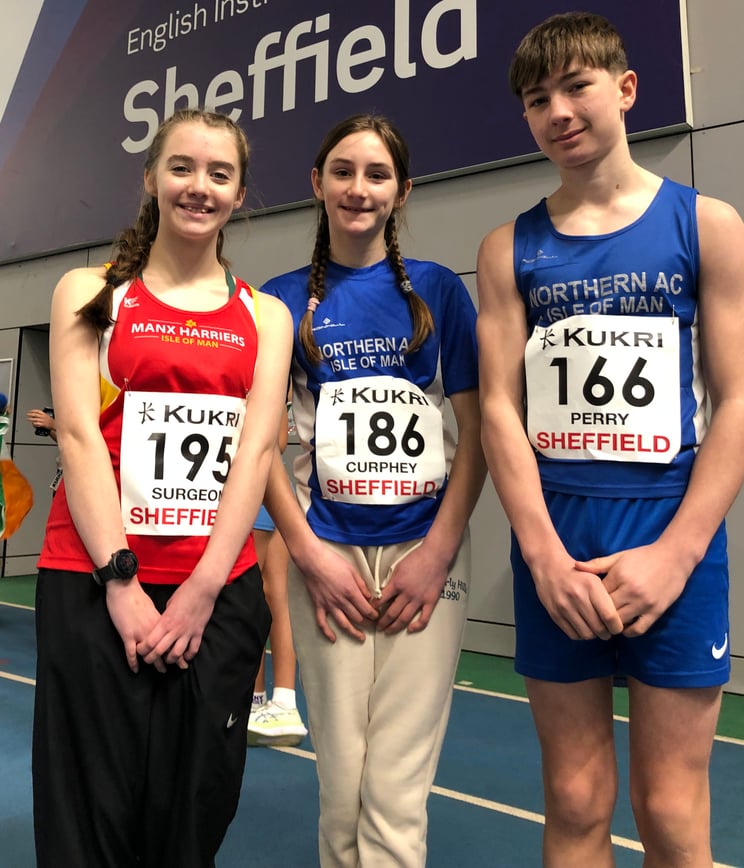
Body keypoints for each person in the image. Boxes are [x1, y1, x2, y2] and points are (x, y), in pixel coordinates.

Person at [476, 12, 744, 867]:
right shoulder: (507, 248)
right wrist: (544, 555)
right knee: (575, 800)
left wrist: (677, 552)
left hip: (673, 537)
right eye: (536, 99)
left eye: (576, 86)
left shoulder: (705, 225)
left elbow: (739, 399)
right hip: (558, 543)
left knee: (671, 814)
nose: (558, 111)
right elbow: (497, 411)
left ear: (626, 89)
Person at [33, 107, 292, 868]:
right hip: (93, 582)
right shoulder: (92, 293)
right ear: (150, 178)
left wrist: (206, 588)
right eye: (182, 168)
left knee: (193, 810)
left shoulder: (265, 316)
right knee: (89, 812)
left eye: (220, 173)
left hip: (216, 594)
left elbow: (256, 453)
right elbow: (79, 437)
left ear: (240, 193)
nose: (198, 187)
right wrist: (120, 582)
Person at [261, 113, 486, 867]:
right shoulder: (277, 303)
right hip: (327, 558)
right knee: (340, 784)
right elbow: (258, 448)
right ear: (318, 184)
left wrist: (440, 550)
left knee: (394, 788)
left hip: (425, 555)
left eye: (378, 174)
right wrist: (309, 555)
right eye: (345, 172)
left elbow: (479, 430)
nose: (360, 189)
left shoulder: (437, 292)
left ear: (403, 190)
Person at [247, 405, 308, 747]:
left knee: (251, 598)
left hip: (254, 491)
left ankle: (259, 701)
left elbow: (279, 439)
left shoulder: (262, 366)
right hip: (276, 492)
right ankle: (281, 701)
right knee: (274, 597)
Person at [28, 408, 63, 493]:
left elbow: (80, 440)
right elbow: (66, 442)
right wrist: (48, 428)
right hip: (63, 471)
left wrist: (53, 424)